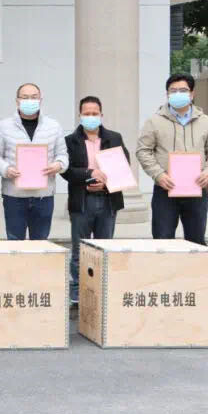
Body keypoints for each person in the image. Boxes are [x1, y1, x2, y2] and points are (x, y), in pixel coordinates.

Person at [137, 73, 208, 245]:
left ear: (192, 94)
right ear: (167, 94)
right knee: (162, 241)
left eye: (183, 90)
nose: (178, 94)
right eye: (173, 90)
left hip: (196, 189)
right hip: (165, 189)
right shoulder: (154, 121)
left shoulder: (205, 122)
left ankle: (196, 264)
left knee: (196, 241)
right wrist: (158, 175)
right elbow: (143, 151)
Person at [61, 96, 129, 304]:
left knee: (104, 247)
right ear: (80, 115)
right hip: (82, 201)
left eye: (94, 113)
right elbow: (66, 170)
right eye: (86, 113)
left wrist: (105, 184)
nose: (90, 117)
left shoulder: (114, 138)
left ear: (101, 115)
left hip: (108, 200)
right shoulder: (70, 141)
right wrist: (90, 174)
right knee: (79, 250)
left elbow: (123, 166)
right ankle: (77, 291)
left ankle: (102, 289)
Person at [0, 83, 69, 241]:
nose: (29, 101)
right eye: (25, 97)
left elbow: (63, 155)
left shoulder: (53, 126)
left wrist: (58, 165)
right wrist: (6, 169)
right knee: (15, 242)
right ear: (17, 101)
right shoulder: (4, 126)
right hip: (14, 195)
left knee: (40, 242)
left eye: (34, 97)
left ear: (41, 100)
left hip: (43, 195)